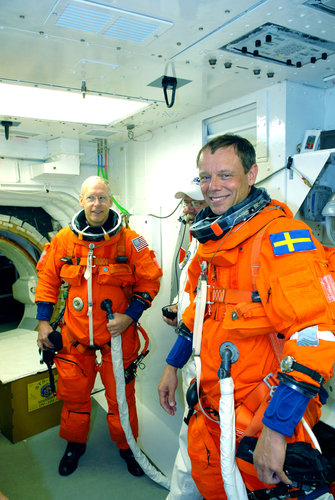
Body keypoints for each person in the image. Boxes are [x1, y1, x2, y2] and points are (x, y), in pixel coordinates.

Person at [158, 134, 335, 499]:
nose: (213, 187)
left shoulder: (280, 236)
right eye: (205, 178)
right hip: (209, 413)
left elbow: (315, 334)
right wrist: (172, 365)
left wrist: (277, 429)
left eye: (225, 175)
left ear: (251, 174)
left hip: (262, 418)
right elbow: (197, 309)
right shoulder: (210, 241)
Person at [35, 176, 162, 477]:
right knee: (75, 397)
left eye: (102, 198)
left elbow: (149, 281)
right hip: (74, 337)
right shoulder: (64, 240)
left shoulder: (131, 240)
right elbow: (47, 280)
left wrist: (129, 316)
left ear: (110, 200)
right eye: (91, 198)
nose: (96, 204)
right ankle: (74, 444)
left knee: (121, 399)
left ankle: (127, 446)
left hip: (117, 337)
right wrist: (42, 323)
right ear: (81, 200)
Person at [160, 177, 207, 500]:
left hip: (211, 361)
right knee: (191, 437)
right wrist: (179, 306)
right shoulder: (196, 238)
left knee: (200, 439)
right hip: (190, 347)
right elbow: (195, 293)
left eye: (194, 202)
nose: (188, 208)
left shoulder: (218, 244)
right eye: (186, 202)